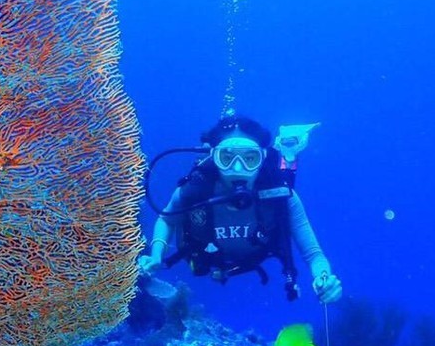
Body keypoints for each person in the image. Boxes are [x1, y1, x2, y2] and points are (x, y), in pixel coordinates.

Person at [137, 115, 342, 304]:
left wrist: (324, 278)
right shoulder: (195, 191)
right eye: (227, 157)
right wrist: (156, 255)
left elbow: (314, 254)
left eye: (249, 158)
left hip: (254, 256)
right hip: (207, 258)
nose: (238, 168)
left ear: (262, 158)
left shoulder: (281, 196)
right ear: (213, 157)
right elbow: (167, 219)